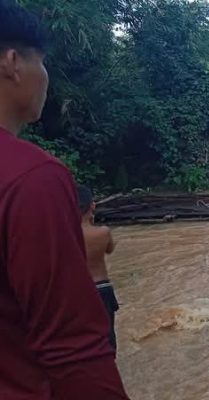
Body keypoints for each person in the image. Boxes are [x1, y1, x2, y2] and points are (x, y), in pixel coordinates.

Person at [0, 2, 129, 399]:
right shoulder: (31, 178)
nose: (46, 77)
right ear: (12, 62)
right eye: (42, 63)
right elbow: (72, 349)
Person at [77, 185, 120, 353]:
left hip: (80, 290)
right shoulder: (103, 232)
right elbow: (109, 249)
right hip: (103, 288)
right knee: (107, 336)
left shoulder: (67, 234)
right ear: (92, 206)